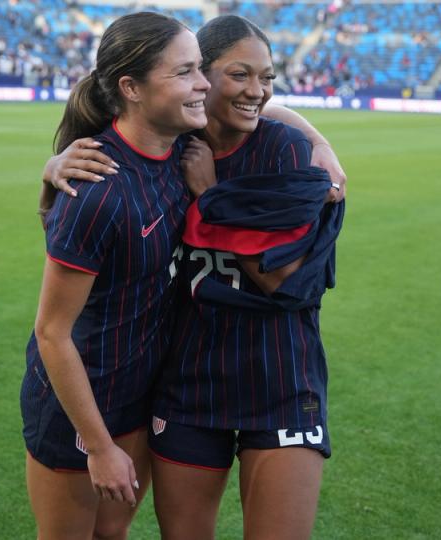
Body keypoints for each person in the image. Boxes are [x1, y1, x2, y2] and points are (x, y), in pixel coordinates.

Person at [43, 15, 347, 539]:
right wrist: (51, 167)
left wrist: (213, 200)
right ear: (197, 77)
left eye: (268, 77)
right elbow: (113, 165)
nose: (256, 90)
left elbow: (286, 282)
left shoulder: (284, 151)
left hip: (281, 377)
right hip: (189, 383)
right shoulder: (171, 148)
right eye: (237, 75)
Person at [20, 12, 210, 540]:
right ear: (131, 87)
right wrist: (99, 447)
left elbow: (260, 99)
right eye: (186, 71)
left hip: (140, 396)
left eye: (201, 68)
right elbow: (52, 332)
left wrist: (320, 144)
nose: (204, 83)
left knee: (112, 534)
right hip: (76, 408)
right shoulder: (97, 189)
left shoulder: (182, 154)